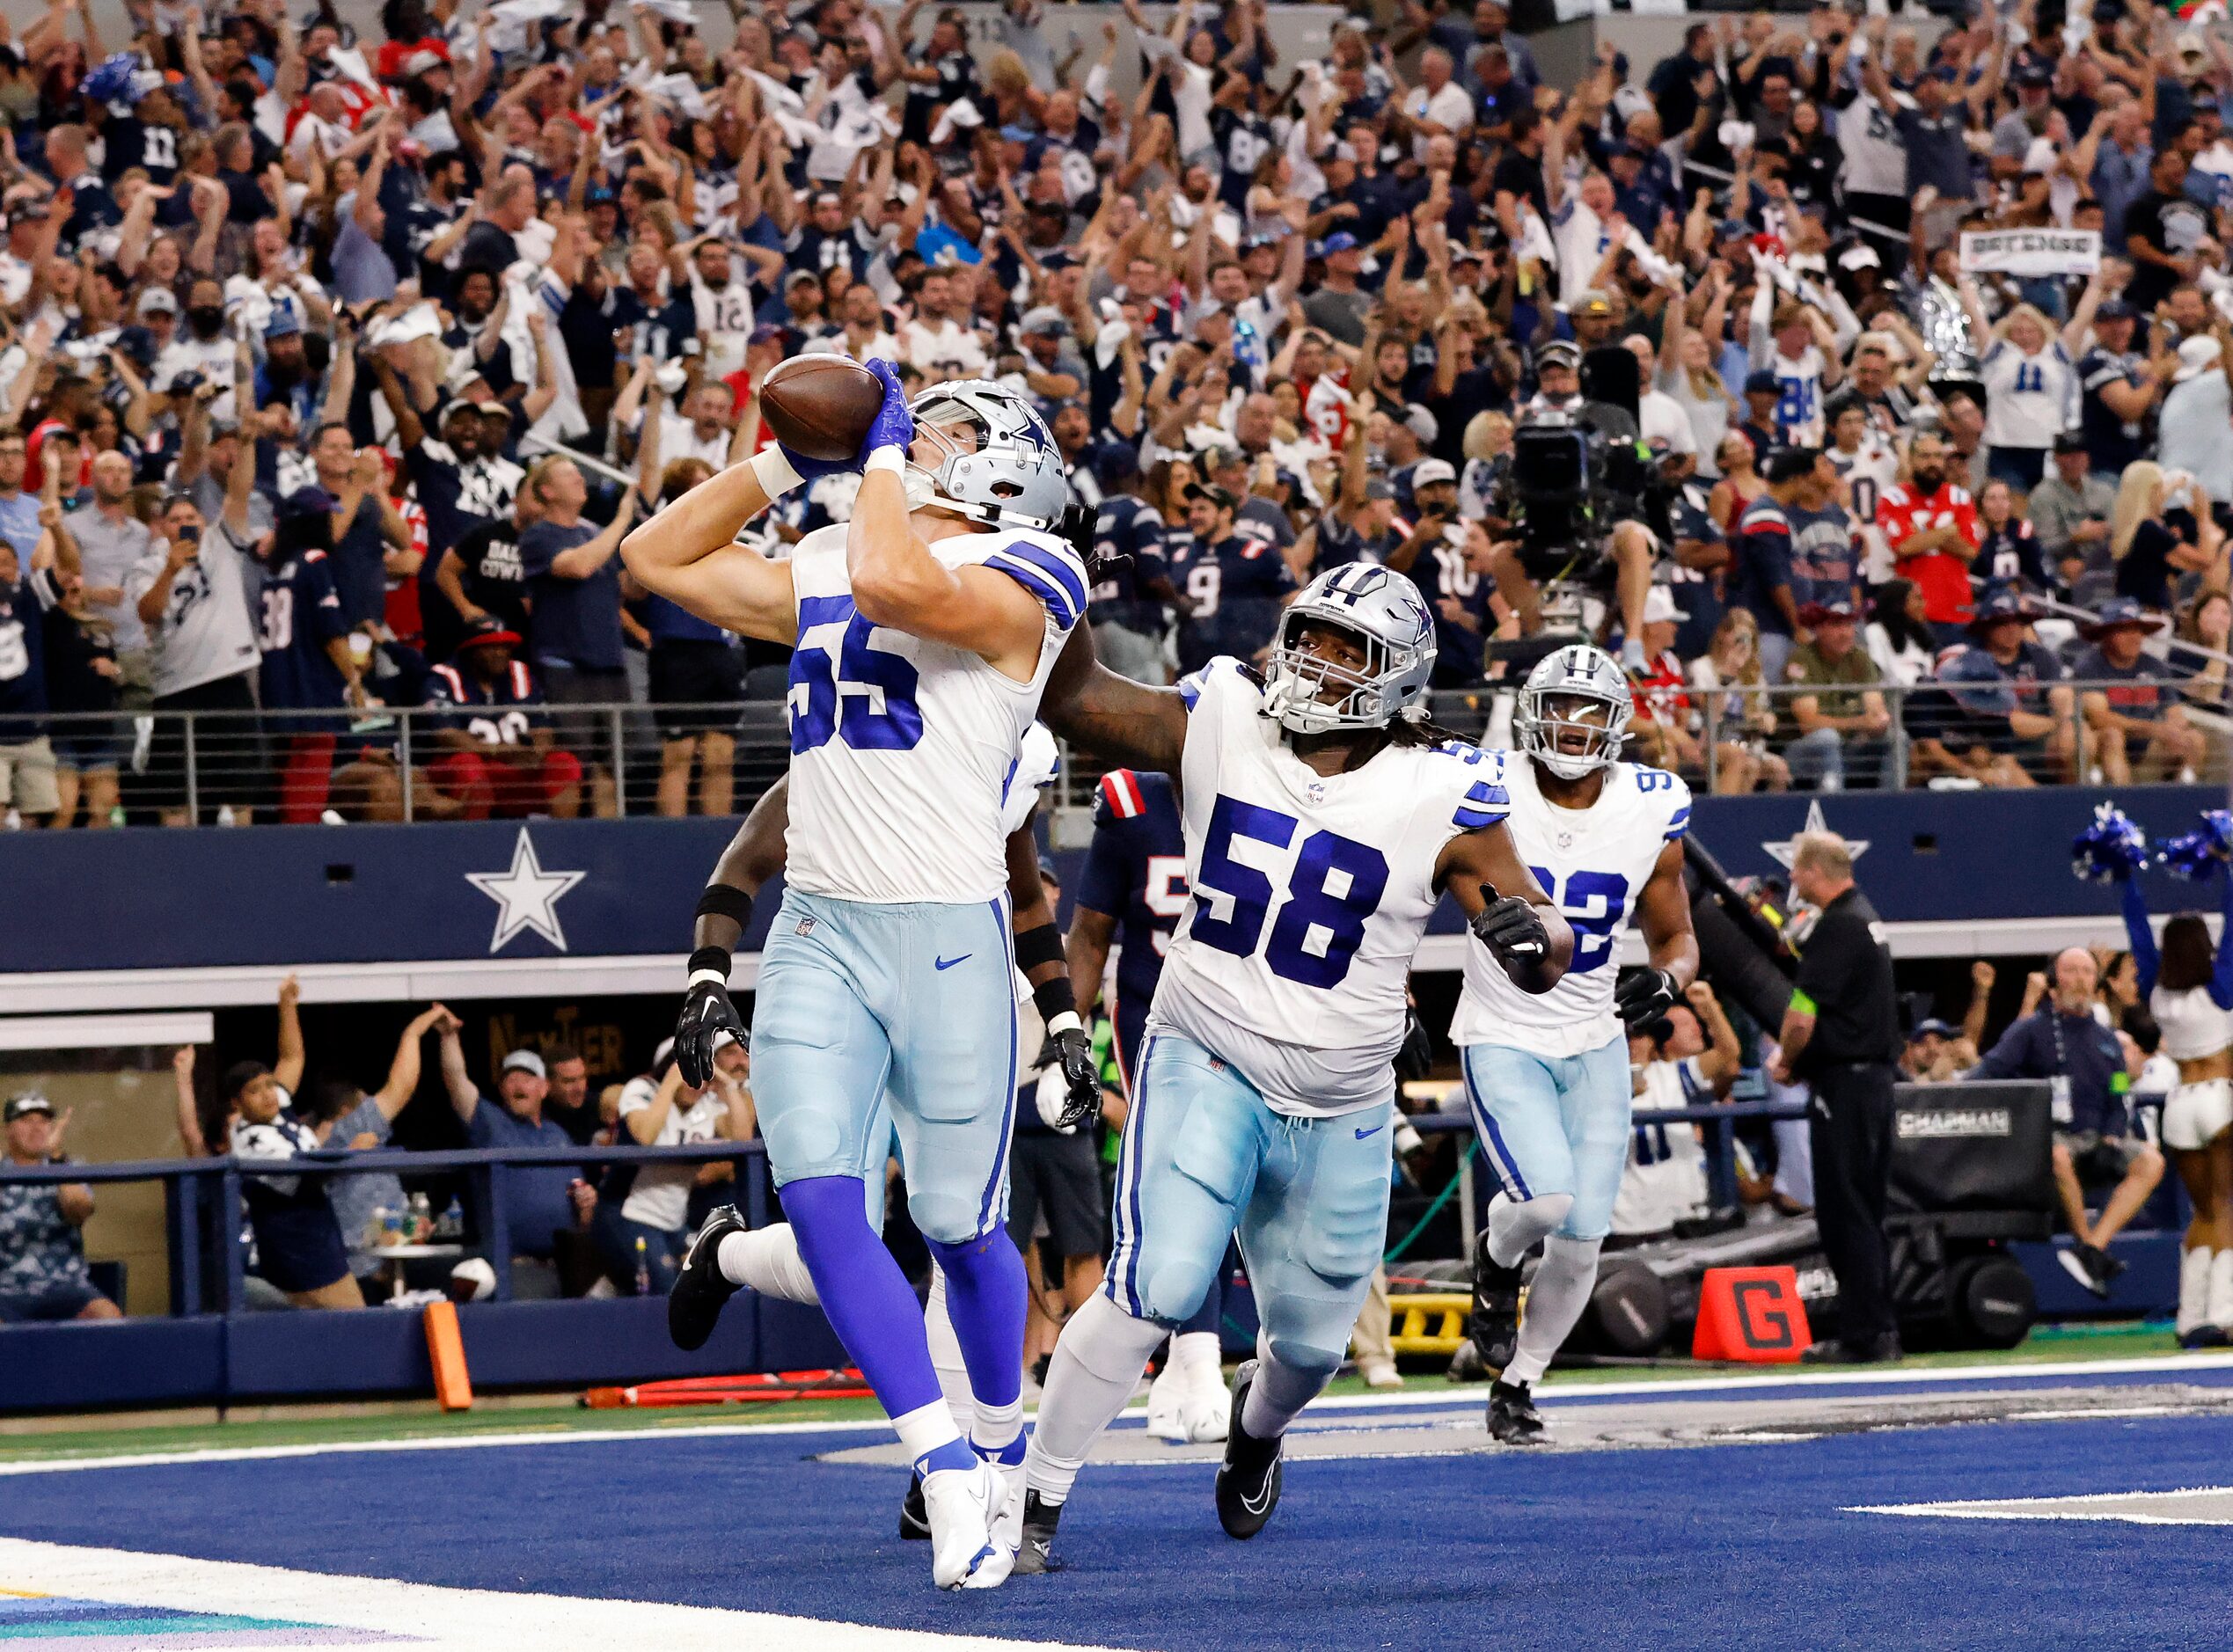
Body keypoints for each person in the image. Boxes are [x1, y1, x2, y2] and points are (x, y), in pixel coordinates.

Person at [622, 364, 1090, 1590]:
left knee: (963, 1228)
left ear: (1005, 463)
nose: (911, 433)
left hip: (946, 934)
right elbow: (658, 560)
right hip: (821, 926)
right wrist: (786, 458)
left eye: (940, 424)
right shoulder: (836, 544)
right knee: (824, 1197)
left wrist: (872, 458)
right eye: (908, 418)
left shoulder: (1036, 567)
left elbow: (899, 582)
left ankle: (998, 1449)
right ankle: (938, 1461)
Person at [1015, 564, 1573, 1565]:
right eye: (1307, 635)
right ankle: (1036, 1497)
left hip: (1344, 1099)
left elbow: (1533, 929)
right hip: (1208, 1053)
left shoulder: (1445, 789)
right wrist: (1064, 579)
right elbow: (1076, 696)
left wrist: (1539, 940)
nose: (1312, 659)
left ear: (1398, 676)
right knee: (1158, 1280)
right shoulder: (1221, 712)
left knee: (1313, 1348)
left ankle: (1255, 1434)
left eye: (1343, 647)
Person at [663, 725, 1096, 1545]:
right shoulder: (852, 734)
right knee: (840, 1235)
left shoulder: (993, 732)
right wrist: (707, 977)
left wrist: (1064, 1018)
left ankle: (965, 1449)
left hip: (964, 975)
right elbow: (744, 862)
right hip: (832, 959)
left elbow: (1027, 889)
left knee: (955, 1225)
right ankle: (944, 1453)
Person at [1450, 645, 1700, 1443]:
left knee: (1584, 1236)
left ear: (1617, 723)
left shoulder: (1650, 806)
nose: (1572, 723)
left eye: (1589, 710)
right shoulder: (1489, 783)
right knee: (1544, 1199)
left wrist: (1670, 982)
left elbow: (1678, 936)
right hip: (1504, 1029)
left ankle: (1519, 1382)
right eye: (1558, 705)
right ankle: (1493, 1264)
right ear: (1530, 711)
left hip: (1595, 1035)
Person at [1067, 764, 1232, 1444]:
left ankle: (1176, 1368)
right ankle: (1201, 1361)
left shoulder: (1274, 786)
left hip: (1247, 1018)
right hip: (1156, 1019)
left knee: (1224, 1187)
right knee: (1182, 1182)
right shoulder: (1135, 806)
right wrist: (1066, 1035)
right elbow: (1091, 931)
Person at [1969, 945, 2166, 1299]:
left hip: (2097, 1142)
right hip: (2047, 1144)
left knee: (2151, 1161)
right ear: (2054, 981)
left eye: (2087, 972)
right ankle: (2089, 1248)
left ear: (2096, 983)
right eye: (2071, 971)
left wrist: (2111, 1135)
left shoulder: (2109, 1041)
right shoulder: (2030, 1031)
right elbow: (1986, 1073)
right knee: (2058, 1154)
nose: (2079, 979)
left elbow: (2120, 1095)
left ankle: (2092, 1248)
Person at [1775, 831, 1901, 1363]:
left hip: (1844, 1088)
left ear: (1814, 872)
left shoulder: (1836, 926)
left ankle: (1861, 1337)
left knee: (1844, 1212)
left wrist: (1786, 1060)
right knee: (1867, 1210)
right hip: (1874, 1084)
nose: (1790, 880)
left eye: (1796, 870)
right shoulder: (1867, 917)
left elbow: (1802, 1015)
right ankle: (1882, 1330)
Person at [2108, 824, 2232, 1344]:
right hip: (2222, 1101)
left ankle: (2188, 1318)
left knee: (2203, 1213)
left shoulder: (2158, 996)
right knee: (2227, 1210)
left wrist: (2124, 878)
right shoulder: (2221, 988)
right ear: (2204, 948)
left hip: (2179, 1107)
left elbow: (2137, 931)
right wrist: (2226, 867)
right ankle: (2224, 1316)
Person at [434, 1034, 597, 1285]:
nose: (518, 1085)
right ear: (502, 1089)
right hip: (514, 1268)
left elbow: (580, 1201)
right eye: (511, 1079)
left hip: (566, 1266)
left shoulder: (558, 1135)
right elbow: (456, 1080)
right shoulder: (491, 1123)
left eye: (527, 1078)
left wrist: (586, 1203)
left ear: (544, 1088)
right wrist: (449, 1036)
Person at [597, 1036, 751, 1297]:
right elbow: (645, 1136)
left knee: (709, 1285)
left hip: (672, 1221)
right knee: (667, 1291)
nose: (696, 1084)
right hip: (628, 1214)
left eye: (701, 1072)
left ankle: (607, 1287)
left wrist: (728, 1085)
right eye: (688, 1072)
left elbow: (743, 1141)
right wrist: (669, 1083)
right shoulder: (642, 1089)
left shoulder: (706, 1105)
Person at [1609, 983, 1742, 1242]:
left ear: (1653, 1040)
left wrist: (1710, 1009)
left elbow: (1729, 1054)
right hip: (1627, 1220)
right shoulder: (1599, 1084)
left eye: (1641, 1034)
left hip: (1681, 1215)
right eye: (1626, 1035)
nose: (1633, 1042)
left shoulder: (1673, 1074)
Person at [0, 1093, 120, 1323]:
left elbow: (80, 1210)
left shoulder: (66, 1167)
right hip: (7, 1291)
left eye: (43, 1121)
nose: (36, 1129)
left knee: (108, 1317)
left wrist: (55, 1157)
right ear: (8, 1130)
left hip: (67, 1288)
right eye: (26, 1121)